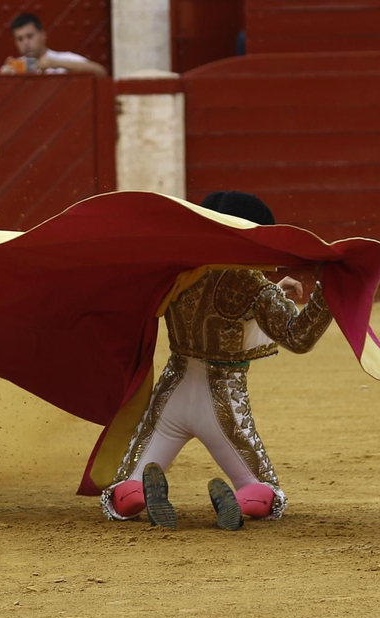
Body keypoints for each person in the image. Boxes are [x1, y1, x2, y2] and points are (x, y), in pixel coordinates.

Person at [100, 191, 334, 530]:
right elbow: (299, 337)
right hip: (222, 407)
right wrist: (328, 292)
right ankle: (241, 501)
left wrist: (273, 291)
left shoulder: (176, 275)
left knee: (130, 482)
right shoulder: (254, 288)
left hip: (171, 396)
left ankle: (134, 496)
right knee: (262, 490)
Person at [0, 13, 107, 76]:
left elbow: (100, 72)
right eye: (20, 39)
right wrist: (4, 79)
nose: (25, 43)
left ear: (42, 35)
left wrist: (56, 64)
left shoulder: (62, 59)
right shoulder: (15, 67)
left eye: (30, 36)